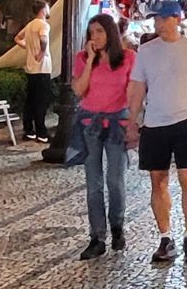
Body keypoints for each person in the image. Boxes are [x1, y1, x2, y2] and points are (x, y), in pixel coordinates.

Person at [126, 1, 187, 264]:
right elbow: (137, 88)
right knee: (158, 181)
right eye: (156, 19)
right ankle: (166, 237)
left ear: (176, 20)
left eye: (164, 19)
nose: (159, 23)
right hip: (155, 123)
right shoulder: (146, 51)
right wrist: (132, 120)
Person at [72, 14, 134, 260]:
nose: (94, 37)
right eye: (91, 32)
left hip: (116, 122)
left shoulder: (128, 58)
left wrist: (134, 121)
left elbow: (132, 91)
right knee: (93, 183)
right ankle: (97, 236)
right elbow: (79, 90)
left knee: (115, 179)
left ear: (110, 33)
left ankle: (117, 225)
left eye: (99, 31)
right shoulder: (82, 58)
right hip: (90, 123)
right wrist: (90, 61)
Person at [13, 0, 54, 143]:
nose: (49, 10)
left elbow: (17, 38)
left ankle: (28, 129)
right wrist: (42, 51)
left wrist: (28, 47)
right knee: (41, 101)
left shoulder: (30, 25)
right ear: (43, 10)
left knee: (30, 100)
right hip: (42, 68)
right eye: (47, 8)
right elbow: (43, 39)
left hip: (30, 67)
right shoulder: (43, 25)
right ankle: (42, 132)